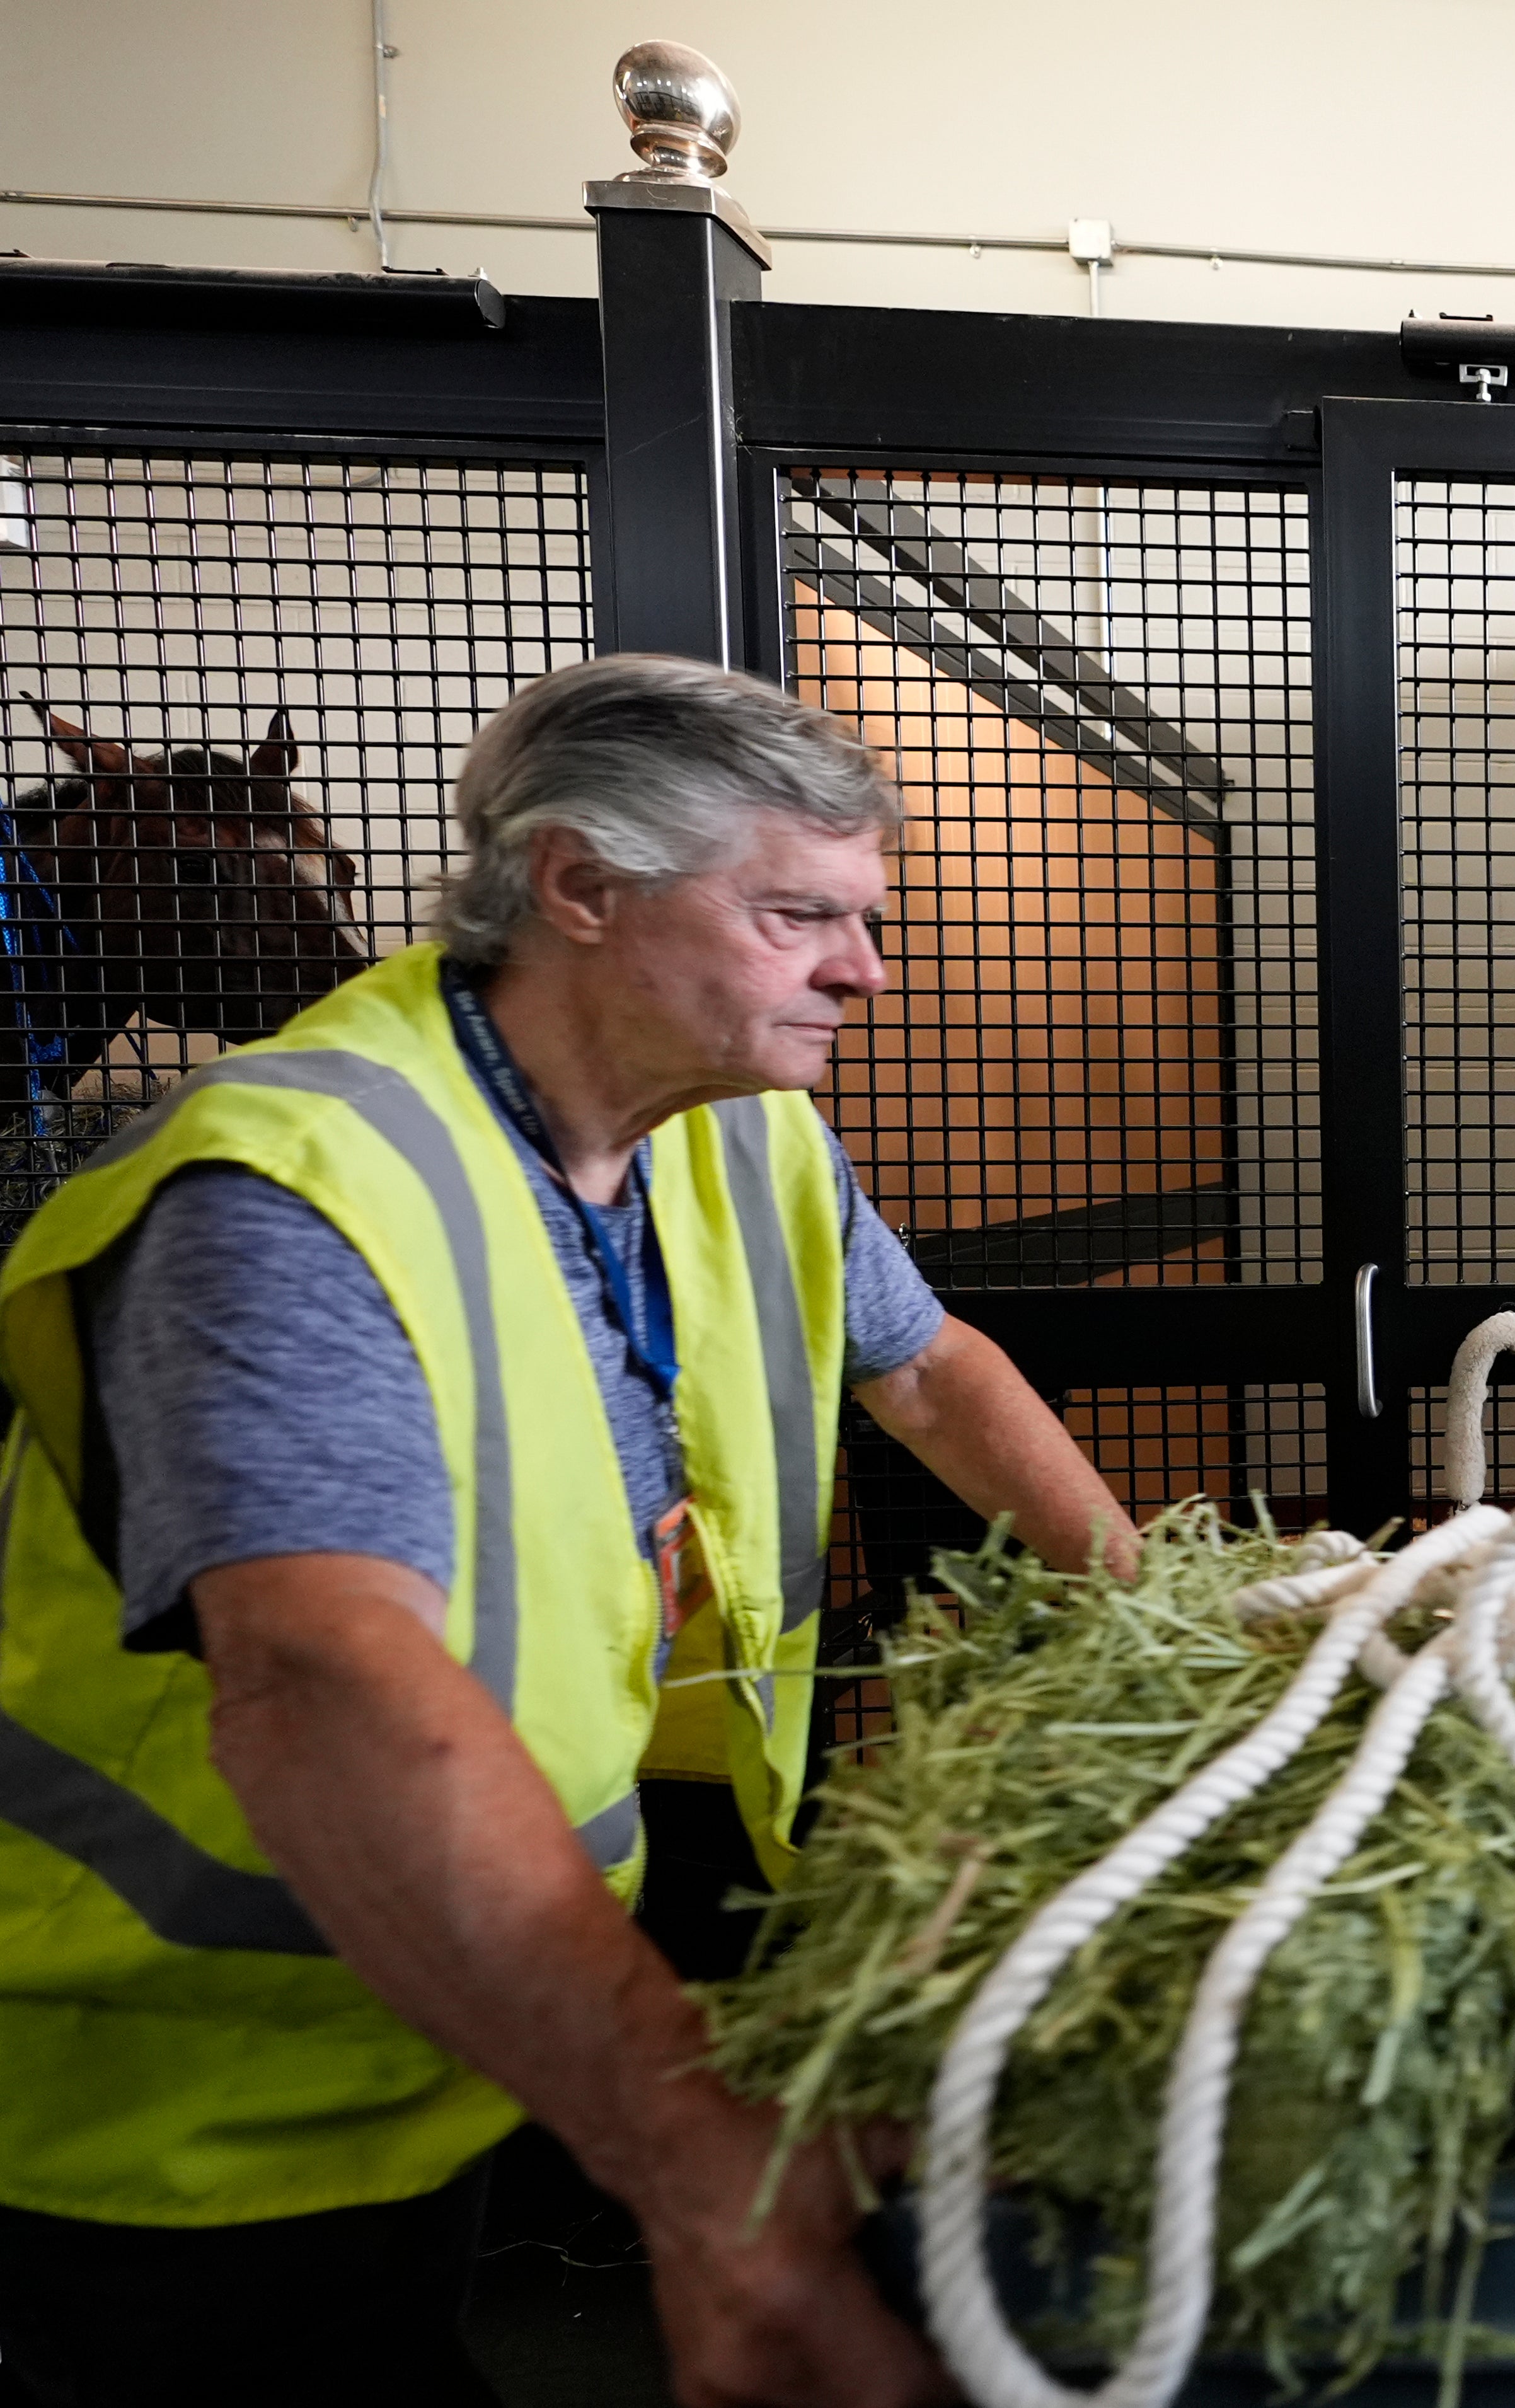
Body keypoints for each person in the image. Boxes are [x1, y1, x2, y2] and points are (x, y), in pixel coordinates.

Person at [0, 655, 1131, 2407]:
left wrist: (1168, 1610)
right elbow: (320, 1679)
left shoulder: (746, 1136)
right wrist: (697, 2161)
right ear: (581, 886)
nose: (865, 969)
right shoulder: (282, 1196)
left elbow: (929, 1374)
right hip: (174, 2106)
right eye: (797, 916)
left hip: (462, 2010)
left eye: (863, 918)